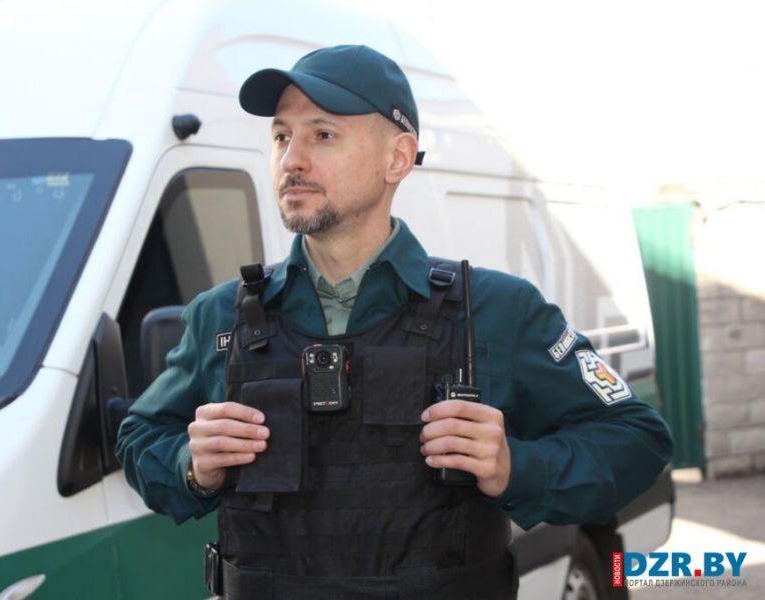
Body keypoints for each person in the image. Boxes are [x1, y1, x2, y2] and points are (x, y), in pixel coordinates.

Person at [116, 44, 673, 600]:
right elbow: (140, 437)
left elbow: (637, 439)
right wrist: (192, 464)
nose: (291, 161)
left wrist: (516, 466)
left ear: (398, 158)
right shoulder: (223, 316)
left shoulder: (495, 311)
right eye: (282, 136)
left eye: (322, 134)